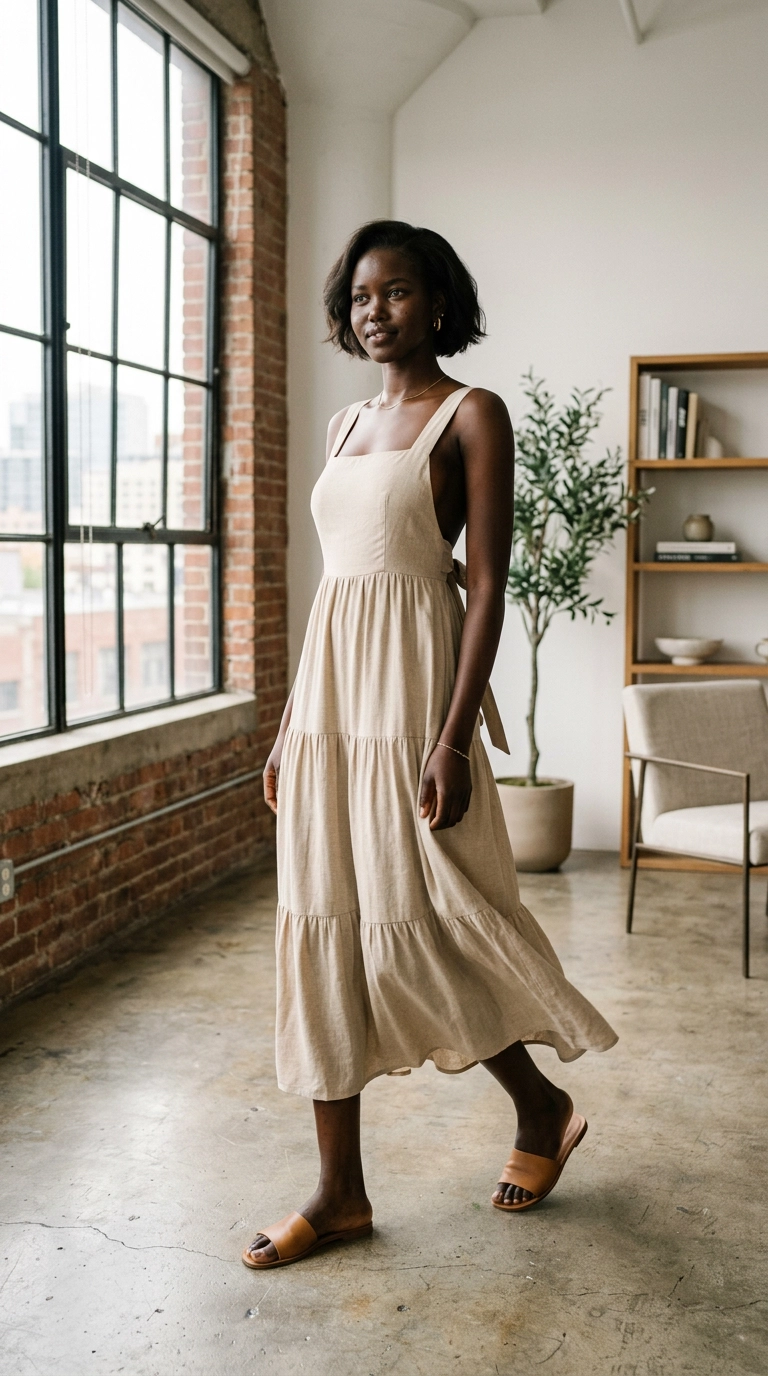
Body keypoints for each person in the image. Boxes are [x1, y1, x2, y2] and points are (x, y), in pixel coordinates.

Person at [242, 220, 617, 1270]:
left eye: (397, 291)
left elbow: (487, 582)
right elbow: (337, 591)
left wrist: (452, 739)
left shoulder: (471, 413)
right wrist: (288, 728)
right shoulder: (344, 425)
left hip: (412, 707)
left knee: (439, 920)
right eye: (360, 295)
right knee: (325, 923)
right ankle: (339, 1189)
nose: (375, 309)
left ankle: (541, 1107)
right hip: (329, 711)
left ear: (439, 303)